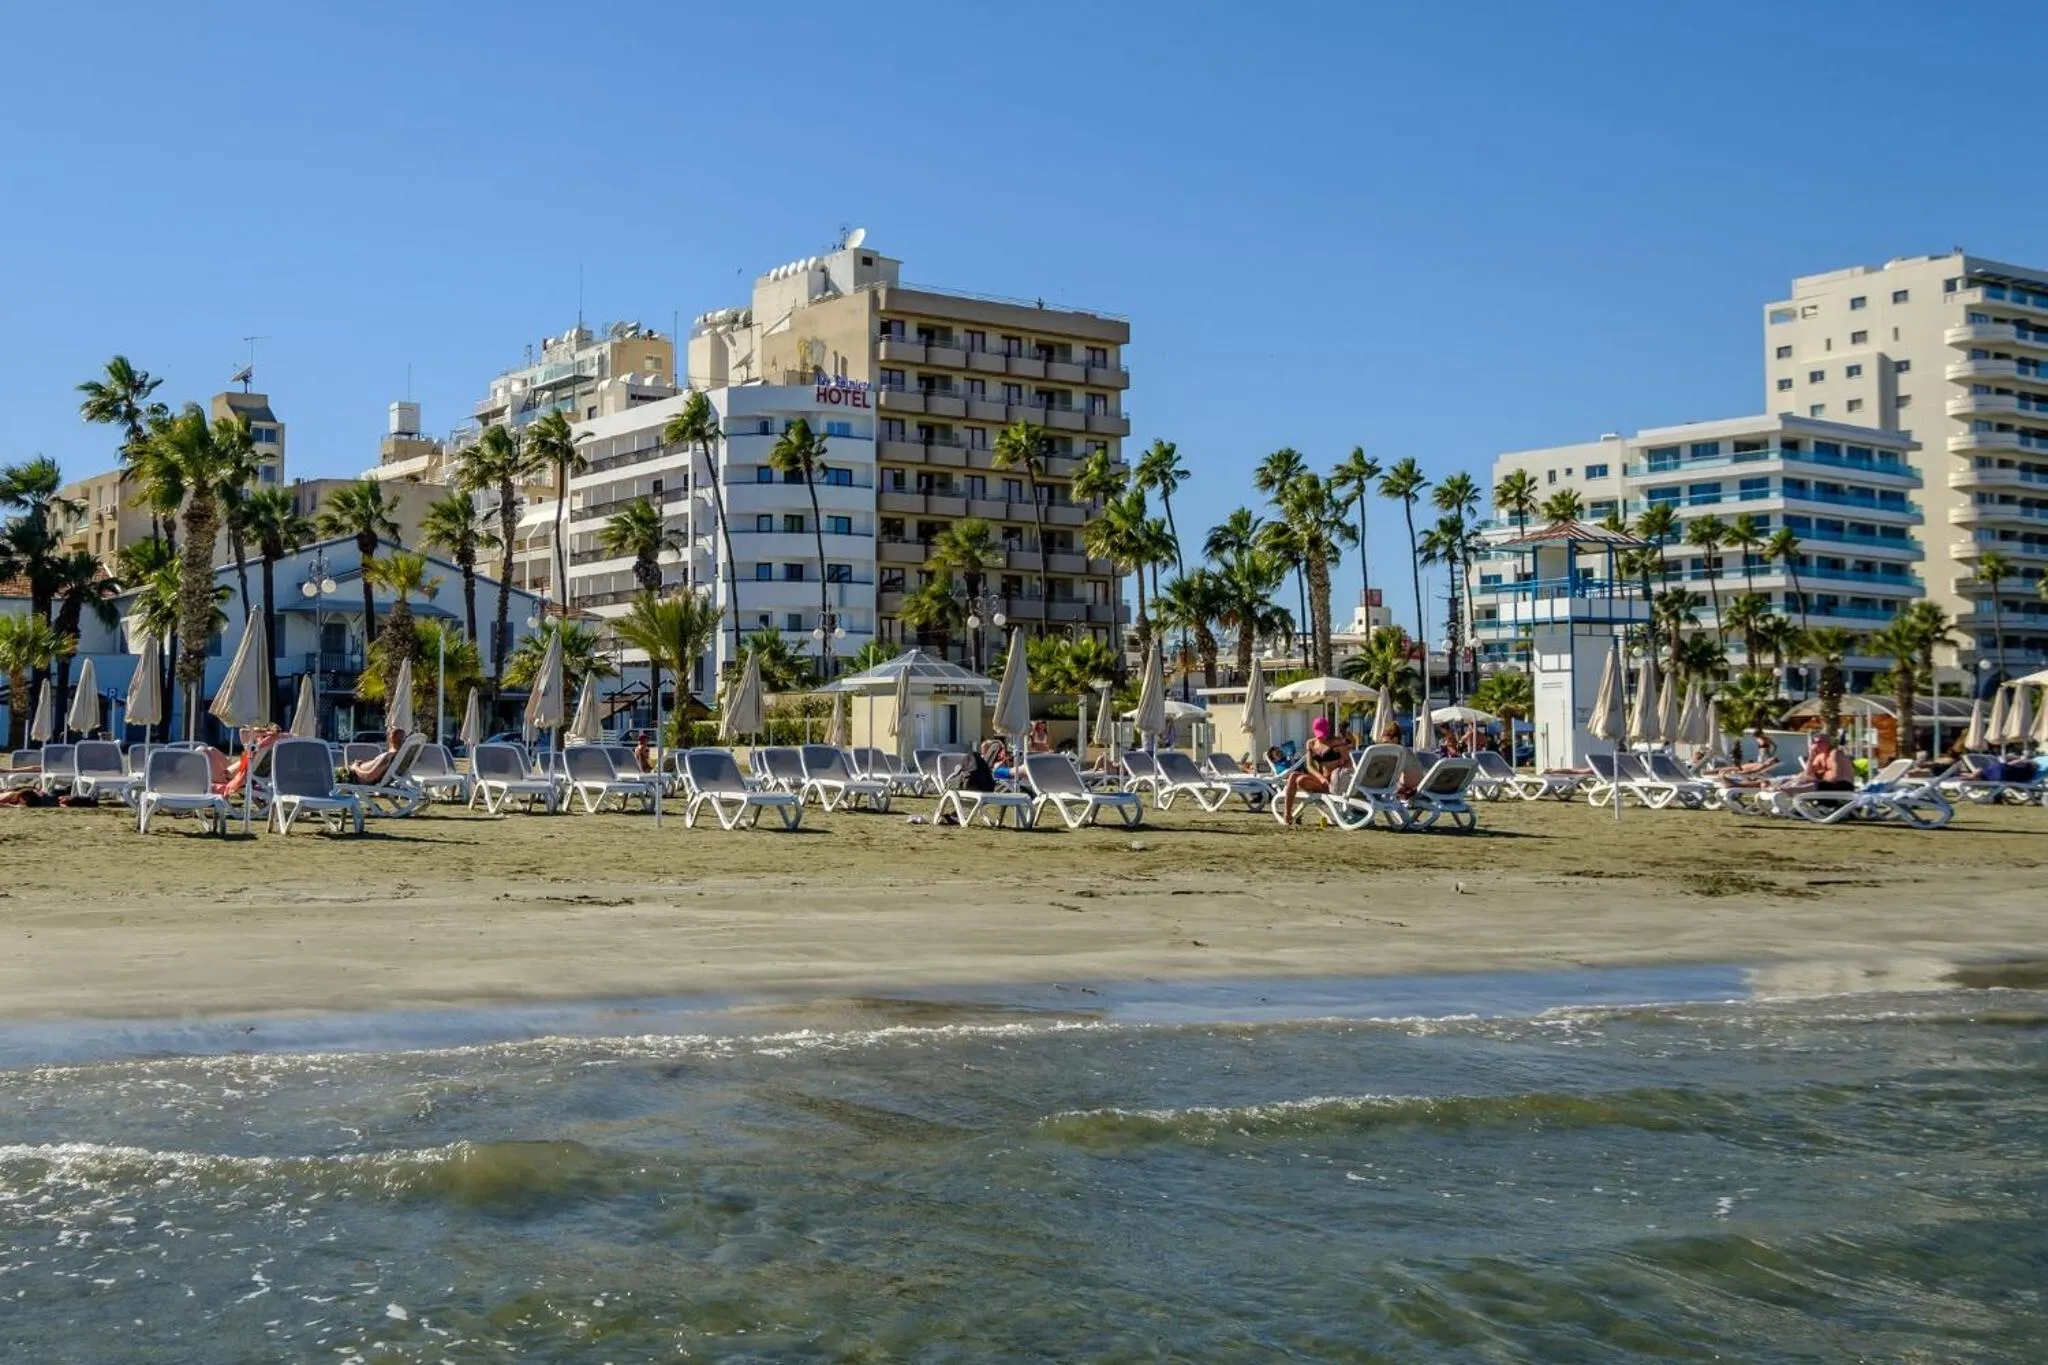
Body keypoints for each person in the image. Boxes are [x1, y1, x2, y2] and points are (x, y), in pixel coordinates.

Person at [1279, 716, 1353, 825]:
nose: (1321, 738)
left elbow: (1349, 762)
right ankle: (1287, 814)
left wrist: (1339, 765)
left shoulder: (1337, 742)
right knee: (1294, 776)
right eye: (1319, 735)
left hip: (1333, 783)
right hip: (1320, 782)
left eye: (1323, 735)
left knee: (1299, 779)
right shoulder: (1311, 743)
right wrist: (1321, 778)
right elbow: (1309, 766)